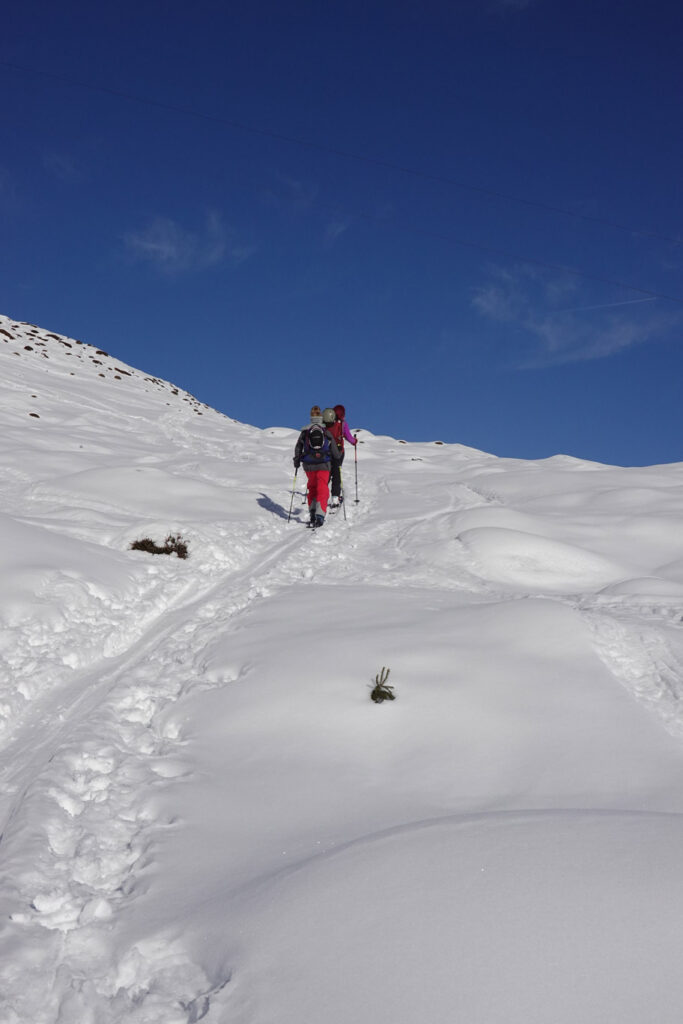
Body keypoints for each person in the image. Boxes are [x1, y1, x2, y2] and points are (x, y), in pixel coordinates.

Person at [293, 406, 340, 527]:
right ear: (321, 417)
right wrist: (337, 457)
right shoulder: (325, 431)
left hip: (308, 465)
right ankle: (320, 515)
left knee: (312, 488)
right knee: (322, 488)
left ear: (311, 417)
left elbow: (298, 447)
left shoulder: (305, 432)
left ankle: (312, 513)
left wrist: (297, 460)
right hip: (324, 465)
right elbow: (335, 452)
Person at [325, 404, 357, 506]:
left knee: (326, 474)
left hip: (326, 452)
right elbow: (349, 438)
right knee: (336, 474)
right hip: (338, 452)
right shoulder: (343, 424)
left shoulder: (327, 423)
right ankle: (335, 498)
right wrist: (355, 441)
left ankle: (322, 496)